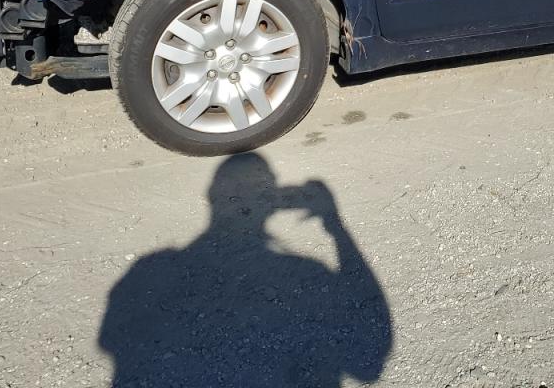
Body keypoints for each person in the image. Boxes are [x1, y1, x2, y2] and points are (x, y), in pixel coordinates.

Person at [98, 153, 392, 387]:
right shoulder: (306, 271)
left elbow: (112, 340)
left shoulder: (151, 269)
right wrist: (336, 228)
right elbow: (368, 364)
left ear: (211, 196)